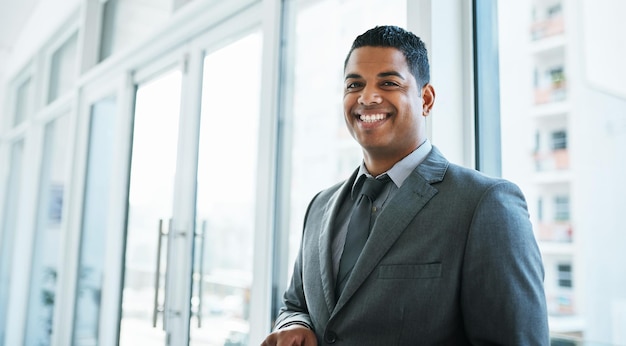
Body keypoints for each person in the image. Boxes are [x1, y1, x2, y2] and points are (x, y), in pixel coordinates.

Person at [262, 25, 549, 345]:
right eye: (354, 84)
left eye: (388, 82)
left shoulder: (485, 203)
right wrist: (295, 325)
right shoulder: (319, 205)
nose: (367, 97)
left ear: (425, 99)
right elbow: (295, 304)